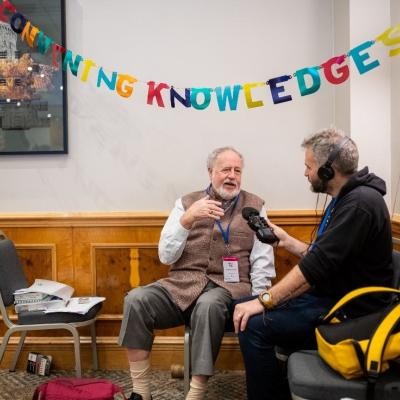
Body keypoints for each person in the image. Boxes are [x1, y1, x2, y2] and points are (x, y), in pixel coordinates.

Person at [233, 127, 393, 400]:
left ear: (328, 170)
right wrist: (288, 242)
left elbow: (315, 269)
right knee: (236, 307)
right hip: (329, 297)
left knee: (253, 325)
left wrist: (264, 300)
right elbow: (326, 258)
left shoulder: (359, 204)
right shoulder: (345, 199)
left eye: (309, 166)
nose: (305, 172)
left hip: (349, 313)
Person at [118, 146, 275, 400]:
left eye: (237, 170)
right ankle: (141, 392)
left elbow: (262, 259)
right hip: (181, 284)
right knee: (136, 300)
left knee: (208, 305)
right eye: (225, 169)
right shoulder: (186, 203)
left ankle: (196, 392)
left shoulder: (255, 207)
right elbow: (165, 256)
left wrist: (257, 301)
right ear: (211, 172)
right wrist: (187, 220)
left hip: (227, 290)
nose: (232, 176)